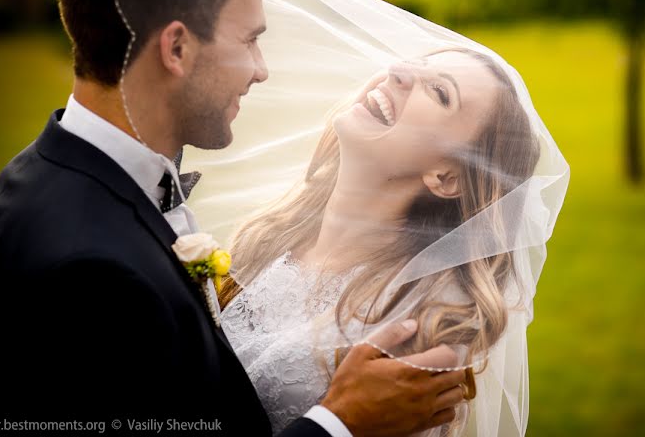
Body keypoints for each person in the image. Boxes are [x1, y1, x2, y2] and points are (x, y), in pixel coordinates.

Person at [0, 0, 468, 436]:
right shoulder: (93, 273)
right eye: (251, 40)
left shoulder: (41, 174)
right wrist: (340, 423)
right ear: (177, 48)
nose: (261, 71)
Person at [218, 47, 544, 436]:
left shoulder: (425, 319)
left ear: (446, 177)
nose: (398, 70)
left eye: (440, 92)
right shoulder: (268, 236)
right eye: (415, 63)